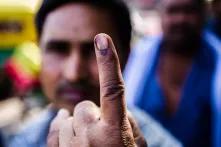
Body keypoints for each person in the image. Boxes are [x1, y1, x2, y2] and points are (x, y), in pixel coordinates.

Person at [9, 0, 182, 147]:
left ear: (125, 56)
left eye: (93, 51)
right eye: (58, 49)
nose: (73, 73)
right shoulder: (22, 139)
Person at [124, 0, 221, 146]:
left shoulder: (215, 61)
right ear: (161, 14)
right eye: (173, 11)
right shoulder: (138, 57)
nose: (180, 19)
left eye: (189, 11)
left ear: (203, 14)